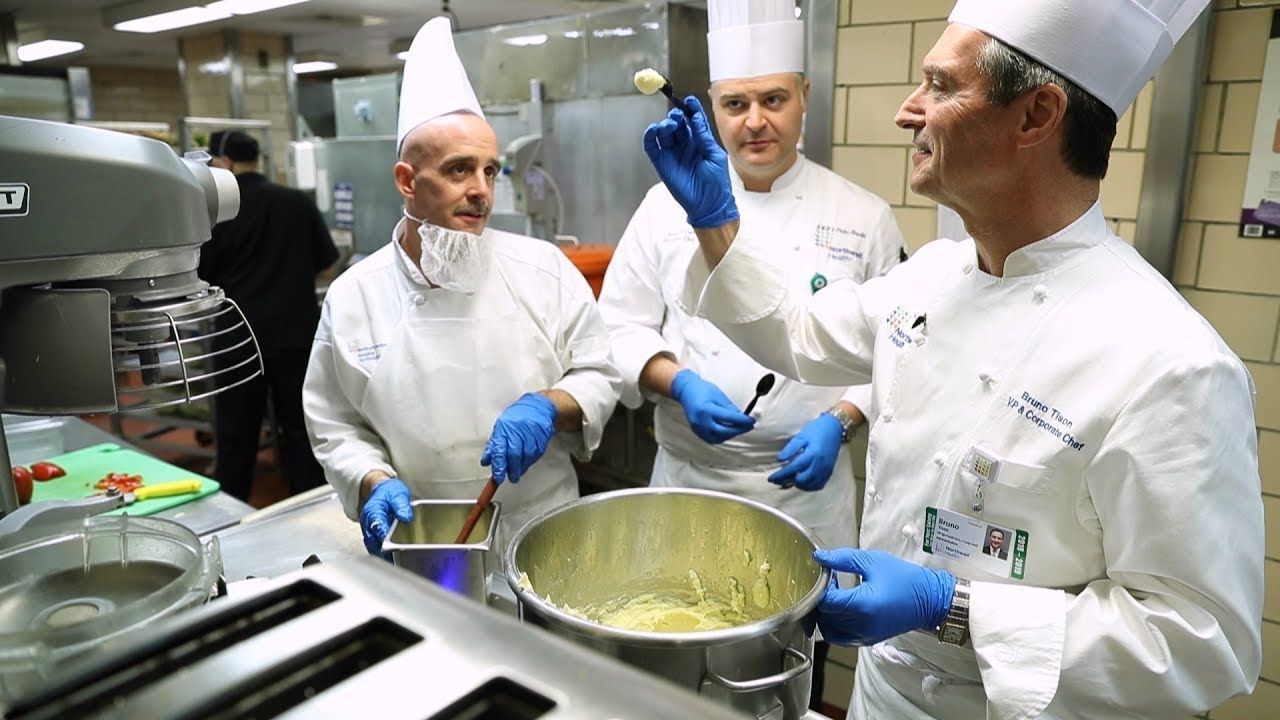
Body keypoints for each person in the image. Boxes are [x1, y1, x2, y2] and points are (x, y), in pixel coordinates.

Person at [637, 0, 1264, 717]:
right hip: (883, 694)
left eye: (940, 86)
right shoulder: (933, 276)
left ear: (1035, 116)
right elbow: (799, 332)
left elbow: (1206, 641)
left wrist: (950, 606)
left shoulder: (1170, 362)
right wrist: (716, 219)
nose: (909, 110)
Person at [597, 0, 904, 709]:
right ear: (713, 110)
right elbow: (618, 327)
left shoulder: (862, 216)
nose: (755, 120)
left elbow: (890, 348)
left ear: (804, 100)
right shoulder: (664, 206)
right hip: (689, 478)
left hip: (807, 494)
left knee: (789, 657)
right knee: (672, 643)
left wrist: (843, 419)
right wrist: (675, 382)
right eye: (736, 103)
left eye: (773, 99)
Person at [302, 17, 620, 556]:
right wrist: (373, 482)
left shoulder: (544, 269)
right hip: (422, 537)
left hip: (544, 532)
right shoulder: (355, 294)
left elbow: (599, 373)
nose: (481, 192)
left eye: (490, 171)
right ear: (407, 180)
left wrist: (549, 404)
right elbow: (335, 424)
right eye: (458, 171)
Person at [198, 129, 338, 502]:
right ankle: (310, 507)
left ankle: (231, 515)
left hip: (238, 338)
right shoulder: (295, 202)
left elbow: (201, 277)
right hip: (295, 333)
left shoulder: (215, 211)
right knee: (300, 427)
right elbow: (327, 266)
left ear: (224, 163)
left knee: (236, 435)